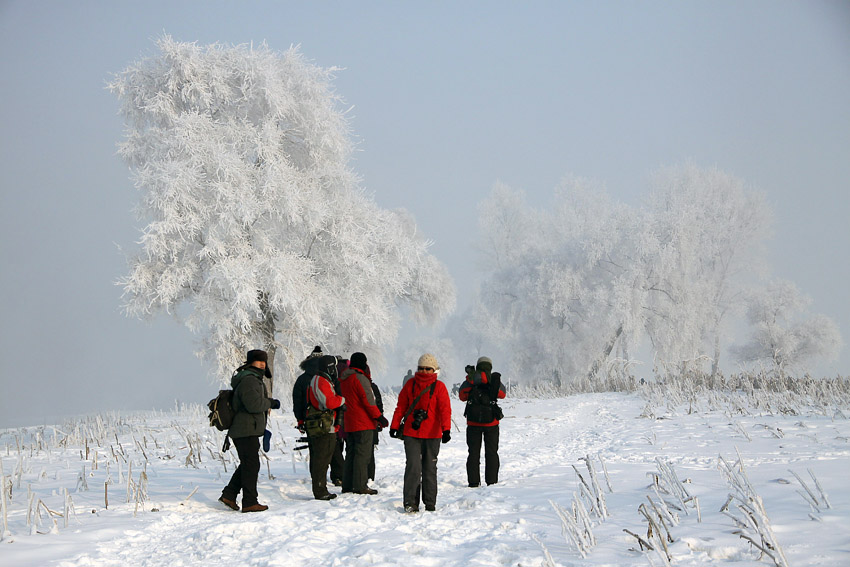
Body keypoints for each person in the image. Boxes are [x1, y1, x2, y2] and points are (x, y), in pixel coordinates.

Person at [220, 349, 281, 513]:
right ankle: (249, 502)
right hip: (245, 429)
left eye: (264, 361)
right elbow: (253, 404)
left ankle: (229, 495)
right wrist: (270, 403)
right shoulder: (249, 380)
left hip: (247, 428)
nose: (262, 364)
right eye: (258, 361)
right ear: (250, 362)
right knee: (252, 465)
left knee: (249, 464)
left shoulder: (252, 378)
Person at [390, 353, 452, 513]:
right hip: (412, 434)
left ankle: (430, 503)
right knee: (413, 468)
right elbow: (401, 407)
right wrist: (394, 425)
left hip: (433, 435)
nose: (424, 371)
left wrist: (446, 430)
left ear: (434, 370)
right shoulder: (410, 385)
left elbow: (445, 410)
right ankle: (410, 502)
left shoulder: (439, 387)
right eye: (421, 368)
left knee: (430, 469)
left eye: (428, 369)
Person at [339, 352, 387, 495]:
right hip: (363, 423)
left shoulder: (344, 379)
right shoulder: (360, 379)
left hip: (350, 422)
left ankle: (347, 485)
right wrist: (379, 417)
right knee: (362, 455)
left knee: (351, 454)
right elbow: (369, 402)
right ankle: (360, 485)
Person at [459, 356, 507, 487]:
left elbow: (462, 395)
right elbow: (502, 394)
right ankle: (491, 482)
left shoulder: (471, 379)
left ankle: (473, 482)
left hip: (473, 423)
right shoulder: (494, 379)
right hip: (492, 423)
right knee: (492, 452)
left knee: (473, 453)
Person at [305, 355, 346, 500]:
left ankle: (320, 488)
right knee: (322, 459)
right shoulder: (322, 381)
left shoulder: (316, 379)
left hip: (319, 424)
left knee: (319, 458)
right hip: (324, 425)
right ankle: (320, 490)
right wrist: (342, 399)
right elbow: (330, 402)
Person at [368, 380, 384, 482]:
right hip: (372, 423)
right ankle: (370, 476)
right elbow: (379, 404)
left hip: (362, 424)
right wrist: (380, 419)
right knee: (370, 452)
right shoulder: (372, 387)